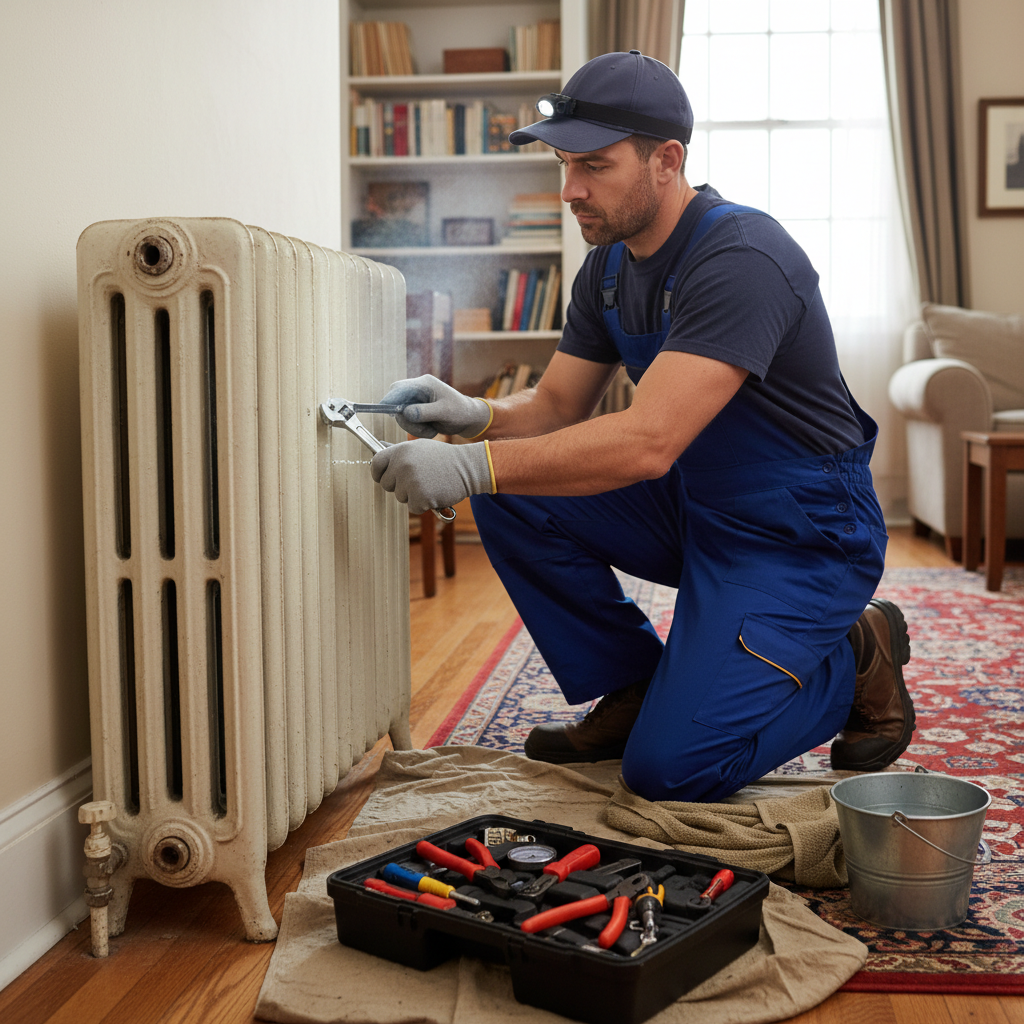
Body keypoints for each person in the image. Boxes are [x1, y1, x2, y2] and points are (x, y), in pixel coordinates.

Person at [369, 50, 915, 802]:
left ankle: (855, 655)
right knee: (513, 491)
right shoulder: (610, 267)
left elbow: (648, 441)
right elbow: (557, 408)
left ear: (667, 159)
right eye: (564, 164)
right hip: (696, 506)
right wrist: (477, 415)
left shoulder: (742, 257)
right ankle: (631, 688)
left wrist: (469, 465)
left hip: (800, 526)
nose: (570, 190)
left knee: (671, 770)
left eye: (594, 165)